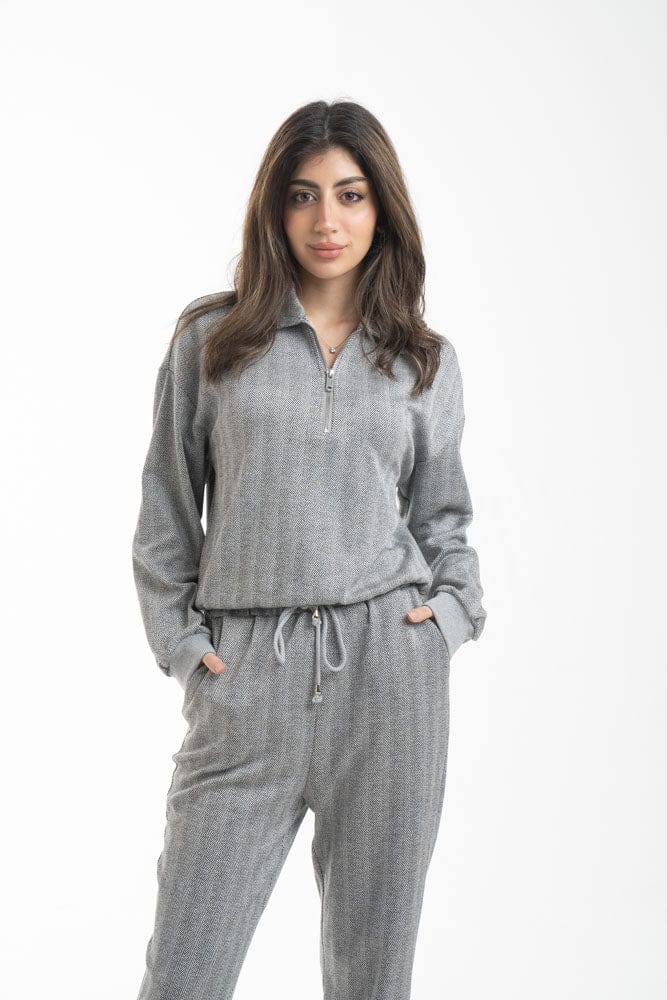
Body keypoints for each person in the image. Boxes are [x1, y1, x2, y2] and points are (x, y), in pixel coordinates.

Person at [131, 98, 487, 1000]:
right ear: (274, 209)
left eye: (350, 194)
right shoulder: (213, 342)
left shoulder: (422, 360)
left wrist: (446, 620)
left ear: (381, 209)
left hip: (389, 680)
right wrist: (186, 649)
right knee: (184, 976)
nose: (326, 220)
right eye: (302, 195)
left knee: (373, 979)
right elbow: (166, 514)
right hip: (246, 675)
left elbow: (444, 519)